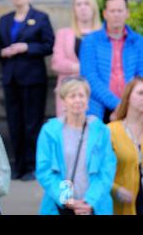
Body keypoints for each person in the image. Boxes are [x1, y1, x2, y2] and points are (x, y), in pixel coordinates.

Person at [0, 0, 55, 181]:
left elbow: (48, 45)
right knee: (15, 123)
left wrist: (26, 47)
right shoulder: (5, 20)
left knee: (32, 124)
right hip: (11, 79)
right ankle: (18, 167)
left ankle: (31, 166)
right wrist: (3, 51)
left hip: (33, 79)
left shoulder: (40, 18)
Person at [36, 76, 116, 215]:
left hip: (94, 206)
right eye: (72, 96)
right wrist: (67, 199)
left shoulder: (101, 131)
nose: (78, 100)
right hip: (60, 206)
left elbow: (107, 170)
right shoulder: (49, 131)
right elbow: (44, 171)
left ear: (87, 100)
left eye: (81, 95)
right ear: (64, 101)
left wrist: (89, 201)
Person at [80, 0, 143, 123]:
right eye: (112, 11)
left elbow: (140, 75)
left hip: (132, 107)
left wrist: (128, 104)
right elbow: (89, 77)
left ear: (127, 13)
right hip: (97, 107)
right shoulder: (90, 41)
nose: (116, 14)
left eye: (120, 10)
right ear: (105, 14)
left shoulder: (138, 41)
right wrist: (117, 105)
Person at [51, 0, 102, 117]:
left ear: (94, 7)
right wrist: (86, 68)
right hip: (68, 92)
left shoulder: (103, 35)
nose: (82, 8)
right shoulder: (63, 33)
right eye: (78, 4)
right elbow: (57, 63)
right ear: (73, 9)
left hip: (96, 93)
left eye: (86, 3)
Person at [108, 76, 143, 215]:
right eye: (140, 93)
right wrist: (116, 190)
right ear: (128, 97)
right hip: (122, 205)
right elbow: (96, 173)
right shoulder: (110, 131)